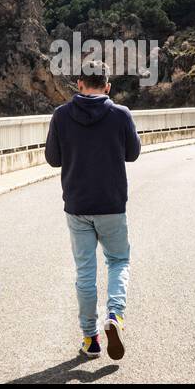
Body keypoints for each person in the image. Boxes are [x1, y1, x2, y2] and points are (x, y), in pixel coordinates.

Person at [44, 59, 141, 360]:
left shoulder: (61, 116)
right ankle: (115, 316)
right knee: (118, 261)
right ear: (108, 86)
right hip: (112, 204)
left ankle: (91, 338)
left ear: (80, 85)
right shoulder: (120, 114)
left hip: (77, 205)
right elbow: (133, 154)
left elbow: (52, 159)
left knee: (85, 272)